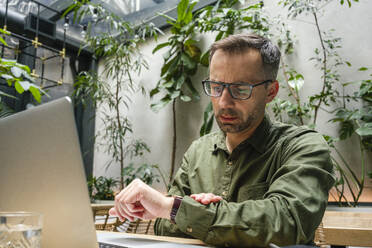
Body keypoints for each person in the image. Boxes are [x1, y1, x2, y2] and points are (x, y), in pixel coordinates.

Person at [109, 33, 335, 247]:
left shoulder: (302, 146)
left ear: (271, 92)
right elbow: (164, 226)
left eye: (240, 89)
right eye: (216, 87)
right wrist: (186, 210)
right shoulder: (199, 151)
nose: (224, 102)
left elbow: (286, 222)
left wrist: (181, 210)